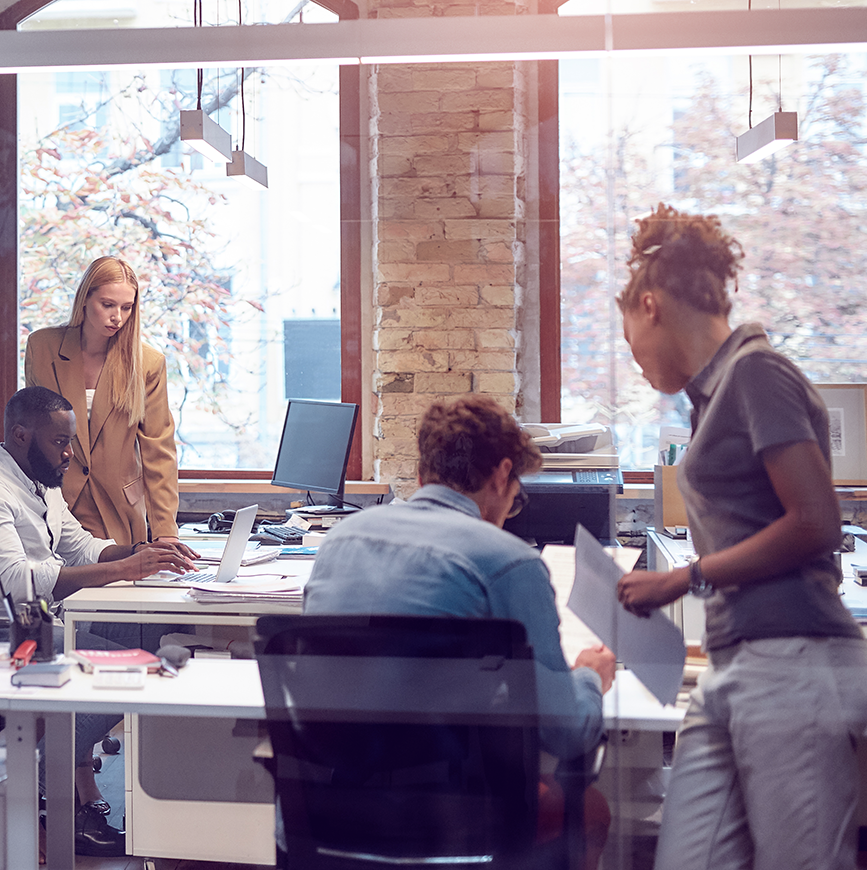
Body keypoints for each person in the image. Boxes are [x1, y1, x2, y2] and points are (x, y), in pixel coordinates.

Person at [611, 205, 867, 870]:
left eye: (630, 339)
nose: (634, 360)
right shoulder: (714, 394)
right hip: (734, 665)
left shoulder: (757, 373)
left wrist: (684, 577)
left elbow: (816, 521)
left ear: (651, 305)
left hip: (796, 661)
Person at [304, 395, 615, 869]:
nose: (511, 507)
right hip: (459, 823)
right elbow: (565, 733)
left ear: (424, 476)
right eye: (516, 494)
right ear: (500, 474)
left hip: (333, 813)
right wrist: (590, 676)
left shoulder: (337, 543)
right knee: (592, 808)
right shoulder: (509, 562)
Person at [0, 385, 194, 856]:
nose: (71, 453)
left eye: (71, 441)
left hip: (40, 620)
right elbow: (17, 583)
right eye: (61, 442)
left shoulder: (41, 482)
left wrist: (141, 552)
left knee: (154, 634)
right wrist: (121, 571)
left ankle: (91, 792)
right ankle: (25, 787)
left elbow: (79, 545)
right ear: (20, 435)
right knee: (132, 668)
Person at [23, 256, 188, 556]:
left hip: (118, 511)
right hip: (54, 505)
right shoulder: (42, 347)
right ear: (85, 299)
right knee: (59, 597)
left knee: (119, 599)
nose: (118, 317)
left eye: (127, 308)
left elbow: (158, 452)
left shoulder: (148, 364)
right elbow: (30, 435)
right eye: (108, 305)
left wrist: (165, 533)